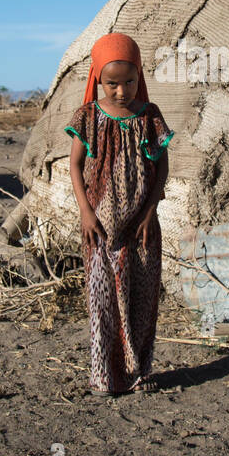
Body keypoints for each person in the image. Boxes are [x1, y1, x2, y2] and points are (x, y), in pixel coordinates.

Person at [64, 32, 174, 395]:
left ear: (139, 75)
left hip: (141, 228)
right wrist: (85, 211)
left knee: (141, 302)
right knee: (103, 303)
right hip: (99, 227)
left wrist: (150, 212)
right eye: (111, 83)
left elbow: (162, 167)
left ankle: (137, 374)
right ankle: (104, 377)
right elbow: (76, 166)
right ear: (97, 78)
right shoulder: (88, 117)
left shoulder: (149, 117)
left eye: (129, 81)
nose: (121, 91)